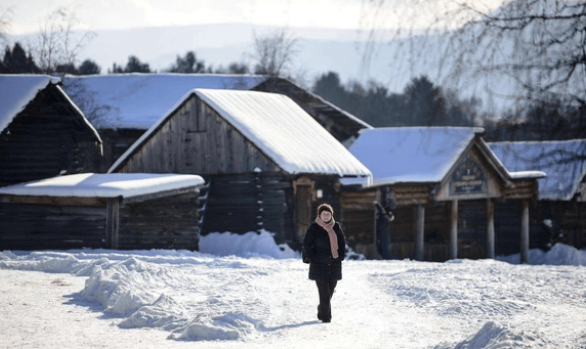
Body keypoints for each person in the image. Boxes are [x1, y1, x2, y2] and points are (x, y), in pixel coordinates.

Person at [302, 203, 346, 323]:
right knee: (324, 292)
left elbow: (341, 243)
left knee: (331, 289)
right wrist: (312, 257)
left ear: (332, 215)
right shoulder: (314, 228)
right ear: (319, 215)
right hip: (319, 264)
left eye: (328, 214)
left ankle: (322, 308)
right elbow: (307, 244)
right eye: (324, 214)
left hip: (334, 263)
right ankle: (326, 317)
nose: (326, 216)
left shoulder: (336, 227)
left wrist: (341, 256)